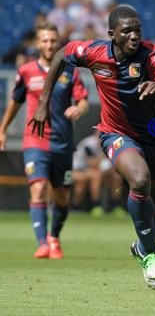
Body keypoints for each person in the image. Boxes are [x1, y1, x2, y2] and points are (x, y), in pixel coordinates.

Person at [29, 5, 155, 290]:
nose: (134, 36)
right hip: (116, 133)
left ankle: (143, 246)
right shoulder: (93, 53)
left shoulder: (152, 55)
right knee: (138, 181)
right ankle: (151, 254)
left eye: (138, 29)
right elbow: (61, 56)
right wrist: (43, 102)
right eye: (127, 30)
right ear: (111, 33)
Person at [0, 22, 89, 259]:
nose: (49, 45)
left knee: (61, 196)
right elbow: (15, 102)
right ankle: (42, 243)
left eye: (53, 40)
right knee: (38, 188)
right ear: (38, 43)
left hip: (62, 143)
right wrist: (2, 129)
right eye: (45, 40)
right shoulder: (27, 71)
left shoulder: (70, 71)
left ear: (58, 42)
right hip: (35, 141)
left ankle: (54, 237)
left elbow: (83, 99)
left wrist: (79, 108)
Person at [72, 129, 124, 216]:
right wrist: (107, 152)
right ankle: (96, 206)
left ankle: (115, 206)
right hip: (78, 170)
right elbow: (93, 164)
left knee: (116, 176)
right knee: (97, 175)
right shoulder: (88, 144)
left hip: (94, 170)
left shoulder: (110, 144)